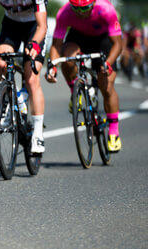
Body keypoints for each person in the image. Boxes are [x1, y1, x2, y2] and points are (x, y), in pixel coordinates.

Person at [46, 0, 123, 153]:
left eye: (85, 8)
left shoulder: (106, 9)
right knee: (67, 60)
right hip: (78, 36)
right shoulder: (65, 12)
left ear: (93, 4)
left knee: (106, 84)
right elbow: (56, 45)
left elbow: (118, 45)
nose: (81, 13)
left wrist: (107, 64)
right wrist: (52, 66)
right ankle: (76, 90)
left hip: (103, 39)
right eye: (77, 9)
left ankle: (113, 131)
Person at [0, 0, 48, 154]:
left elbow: (42, 26)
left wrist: (35, 44)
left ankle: (37, 133)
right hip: (11, 25)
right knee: (2, 63)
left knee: (32, 78)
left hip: (34, 26)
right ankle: (9, 99)